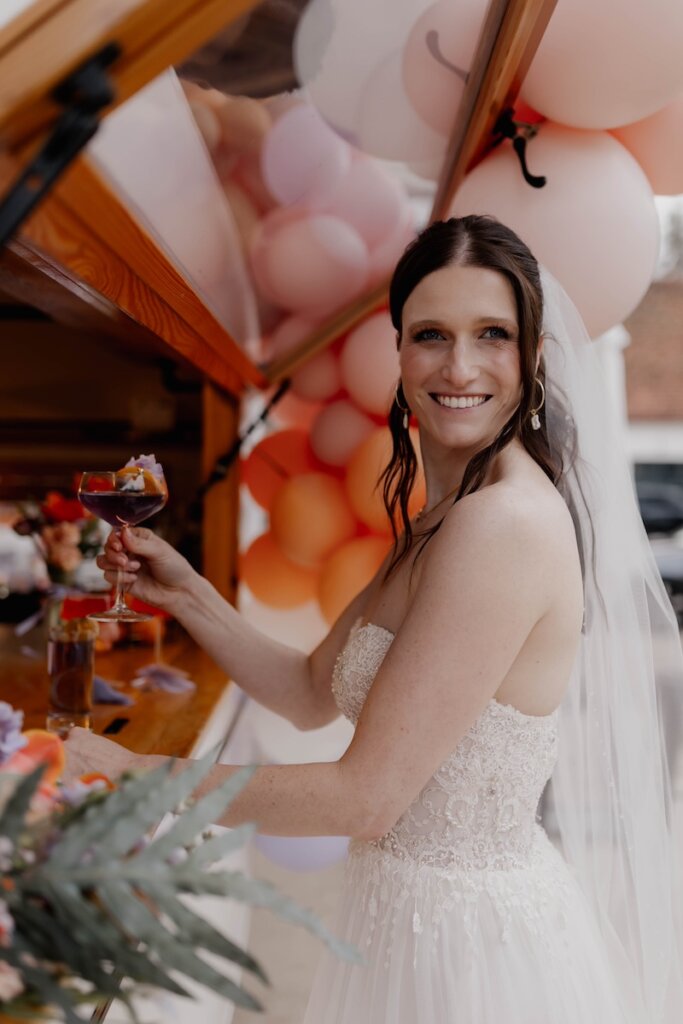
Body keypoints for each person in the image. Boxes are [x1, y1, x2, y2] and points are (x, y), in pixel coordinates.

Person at [66, 216, 683, 1023]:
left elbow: (365, 797)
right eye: (431, 335)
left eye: (491, 334)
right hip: (405, 922)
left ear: (531, 356)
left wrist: (132, 779)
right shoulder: (445, 514)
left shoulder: (501, 526)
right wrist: (187, 594)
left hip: (467, 955)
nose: (458, 366)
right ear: (398, 352)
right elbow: (309, 689)